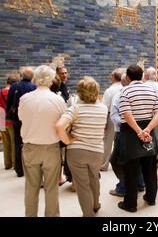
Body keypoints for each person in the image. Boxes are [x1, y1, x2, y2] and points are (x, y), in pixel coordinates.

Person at [18, 65, 66, 217]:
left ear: (35, 79)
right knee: (51, 188)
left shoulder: (24, 99)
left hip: (30, 147)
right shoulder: (58, 100)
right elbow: (63, 123)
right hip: (51, 148)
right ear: (52, 80)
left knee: (31, 187)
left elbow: (21, 118)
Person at [56, 76, 108, 217]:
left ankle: (88, 214)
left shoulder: (75, 108)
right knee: (94, 178)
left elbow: (60, 126)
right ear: (97, 92)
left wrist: (67, 141)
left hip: (77, 152)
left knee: (82, 185)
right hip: (97, 151)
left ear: (79, 93)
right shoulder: (103, 108)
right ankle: (96, 204)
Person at [118, 65, 158, 212]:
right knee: (149, 167)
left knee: (131, 169)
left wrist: (139, 131)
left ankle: (130, 204)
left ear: (128, 78)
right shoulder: (152, 90)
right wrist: (147, 129)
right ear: (142, 76)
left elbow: (126, 114)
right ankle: (151, 198)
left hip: (131, 132)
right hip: (148, 131)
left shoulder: (125, 90)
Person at [109, 73, 145, 197]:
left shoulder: (120, 95)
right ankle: (140, 184)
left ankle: (123, 187)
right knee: (136, 158)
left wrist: (128, 124)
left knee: (117, 160)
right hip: (139, 131)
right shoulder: (140, 93)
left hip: (124, 132)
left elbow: (114, 116)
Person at [6, 66, 36, 177]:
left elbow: (9, 103)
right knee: (31, 144)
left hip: (17, 120)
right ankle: (31, 168)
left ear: (22, 76)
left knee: (18, 143)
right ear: (32, 77)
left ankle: (19, 170)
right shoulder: (34, 87)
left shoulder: (14, 86)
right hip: (31, 120)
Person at [100, 68, 124, 171]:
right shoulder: (124, 88)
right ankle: (122, 163)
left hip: (110, 117)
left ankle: (104, 165)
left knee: (107, 142)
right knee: (121, 140)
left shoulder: (109, 90)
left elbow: (104, 107)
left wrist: (103, 122)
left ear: (114, 77)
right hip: (123, 116)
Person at [143, 67, 158, 168]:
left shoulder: (142, 86)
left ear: (146, 76)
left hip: (144, 117)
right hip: (157, 117)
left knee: (145, 139)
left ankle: (147, 162)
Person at [0, 71, 20, 169]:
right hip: (11, 120)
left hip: (2, 121)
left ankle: (7, 164)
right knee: (13, 142)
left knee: (5, 143)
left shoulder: (0, 92)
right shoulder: (14, 92)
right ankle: (13, 163)